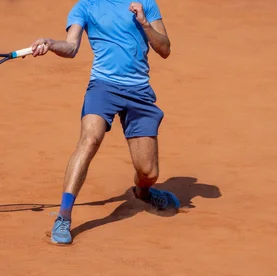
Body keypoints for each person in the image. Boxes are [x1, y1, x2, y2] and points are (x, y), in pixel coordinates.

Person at [29, 0, 179, 245]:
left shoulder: (145, 4)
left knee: (148, 172)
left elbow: (165, 48)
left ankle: (144, 193)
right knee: (89, 140)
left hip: (139, 91)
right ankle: (63, 217)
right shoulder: (85, 7)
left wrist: (144, 24)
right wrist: (51, 44)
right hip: (103, 87)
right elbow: (71, 46)